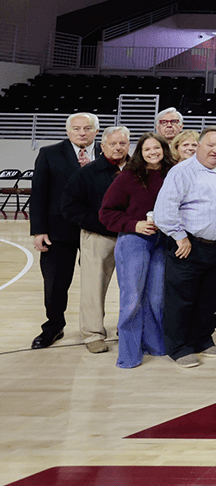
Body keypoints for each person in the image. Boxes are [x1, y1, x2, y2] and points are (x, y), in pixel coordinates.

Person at [153, 127, 216, 368]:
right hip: (191, 246)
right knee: (182, 299)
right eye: (210, 145)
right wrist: (180, 237)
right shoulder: (182, 171)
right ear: (198, 145)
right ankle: (179, 347)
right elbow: (165, 209)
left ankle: (202, 339)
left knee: (209, 300)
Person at [98, 132, 175, 367]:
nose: (153, 152)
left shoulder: (173, 174)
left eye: (157, 148)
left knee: (155, 297)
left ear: (164, 149)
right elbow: (106, 213)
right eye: (147, 149)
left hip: (163, 242)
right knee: (132, 299)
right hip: (134, 241)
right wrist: (135, 224)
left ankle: (154, 344)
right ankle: (129, 355)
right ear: (140, 153)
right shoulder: (128, 177)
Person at [30, 113, 103, 349]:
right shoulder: (49, 153)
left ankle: (94, 328)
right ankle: (53, 326)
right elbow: (39, 193)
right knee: (55, 283)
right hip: (57, 229)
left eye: (87, 128)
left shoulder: (110, 151)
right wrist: (38, 229)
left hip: (97, 227)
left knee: (96, 282)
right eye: (76, 128)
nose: (82, 132)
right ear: (68, 131)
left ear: (96, 131)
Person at [61, 124, 130, 354]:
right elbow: (70, 207)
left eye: (123, 143)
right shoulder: (87, 172)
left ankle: (127, 329)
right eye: (113, 143)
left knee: (132, 287)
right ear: (103, 146)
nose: (118, 147)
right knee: (93, 288)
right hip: (98, 236)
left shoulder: (138, 170)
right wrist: (101, 223)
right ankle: (93, 334)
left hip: (132, 237)